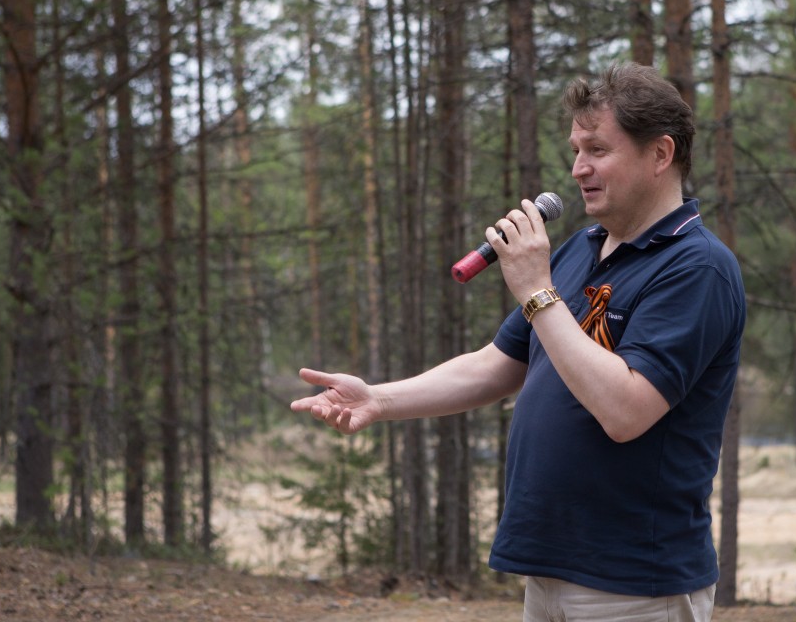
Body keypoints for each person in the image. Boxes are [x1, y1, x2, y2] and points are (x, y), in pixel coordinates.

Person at [291, 62, 746, 622]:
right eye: (576, 150)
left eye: (598, 150)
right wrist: (379, 399)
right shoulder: (581, 249)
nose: (578, 168)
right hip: (548, 571)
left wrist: (537, 290)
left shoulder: (697, 267)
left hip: (635, 583)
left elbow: (626, 411)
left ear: (660, 154)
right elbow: (495, 365)